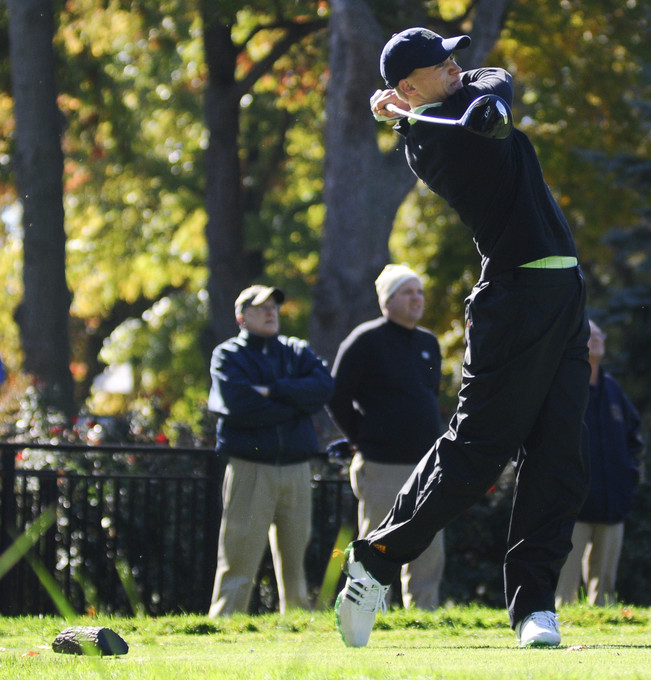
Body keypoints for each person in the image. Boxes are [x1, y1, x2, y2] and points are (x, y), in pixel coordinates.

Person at [335, 27, 591, 648]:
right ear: (408, 86)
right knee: (478, 451)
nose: (454, 66)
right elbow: (464, 106)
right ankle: (375, 559)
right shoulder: (433, 143)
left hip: (563, 293)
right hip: (514, 300)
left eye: (452, 58)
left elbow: (495, 77)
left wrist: (486, 106)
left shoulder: (472, 103)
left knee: (560, 455)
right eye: (438, 64)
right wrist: (427, 116)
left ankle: (535, 607)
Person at [207, 284, 333, 617]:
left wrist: (273, 390)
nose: (270, 313)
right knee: (239, 556)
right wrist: (296, 405)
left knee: (296, 560)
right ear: (241, 316)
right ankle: (224, 626)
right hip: (251, 468)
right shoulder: (228, 355)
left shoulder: (296, 351)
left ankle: (295, 625)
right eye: (261, 307)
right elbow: (238, 404)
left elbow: (324, 387)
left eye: (274, 307)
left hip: (296, 468)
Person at [327, 264, 446, 611]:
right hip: (381, 463)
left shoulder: (429, 343)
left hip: (427, 464)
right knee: (378, 544)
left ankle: (424, 614)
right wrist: (361, 436)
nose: (416, 298)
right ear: (386, 301)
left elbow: (430, 395)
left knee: (430, 543)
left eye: (419, 292)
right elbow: (336, 395)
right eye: (407, 292)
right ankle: (370, 612)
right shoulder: (366, 339)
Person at [555, 320, 643, 607]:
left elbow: (634, 436)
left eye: (599, 335)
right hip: (572, 506)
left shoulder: (613, 389)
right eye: (588, 335)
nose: (595, 340)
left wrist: (630, 475)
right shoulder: (564, 385)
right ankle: (558, 628)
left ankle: (603, 627)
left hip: (612, 505)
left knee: (605, 592)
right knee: (563, 592)